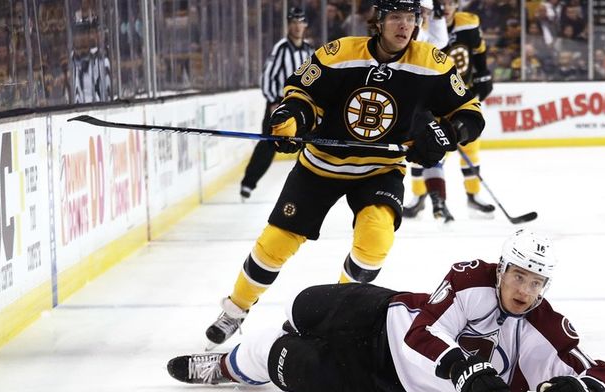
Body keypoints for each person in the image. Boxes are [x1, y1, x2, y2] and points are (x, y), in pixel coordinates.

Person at [203, 0, 486, 349]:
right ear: (378, 21)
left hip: (380, 169)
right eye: (395, 17)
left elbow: (470, 113)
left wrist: (448, 133)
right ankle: (235, 309)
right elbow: (302, 94)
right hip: (321, 165)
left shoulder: (432, 63)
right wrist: (293, 119)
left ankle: (331, 317)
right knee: (276, 242)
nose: (404, 25)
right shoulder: (340, 53)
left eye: (411, 18)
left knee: (376, 239)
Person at [169, 229, 605, 392]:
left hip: (388, 379)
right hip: (385, 312)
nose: (525, 290)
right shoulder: (470, 279)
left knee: (278, 356)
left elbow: (599, 373)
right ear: (501, 269)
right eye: (519, 276)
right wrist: (463, 368)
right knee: (306, 305)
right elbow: (423, 331)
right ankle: (298, 330)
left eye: (536, 282)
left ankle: (227, 367)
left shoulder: (545, 326)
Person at [404, 0, 495, 222]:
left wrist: (483, 73)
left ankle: (473, 195)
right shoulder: (417, 30)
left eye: (450, 3)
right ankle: (419, 196)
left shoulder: (467, 23)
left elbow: (478, 50)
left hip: (461, 94)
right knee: (426, 147)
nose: (445, 8)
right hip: (434, 97)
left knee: (470, 146)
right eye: (441, 4)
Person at [240, 8, 313, 200]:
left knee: (307, 145)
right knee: (268, 144)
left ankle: (306, 186)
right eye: (294, 22)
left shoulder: (309, 50)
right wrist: (273, 100)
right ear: (288, 25)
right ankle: (248, 183)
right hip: (280, 104)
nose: (297, 26)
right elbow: (267, 77)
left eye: (301, 22)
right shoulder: (281, 48)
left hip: (303, 107)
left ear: (305, 25)